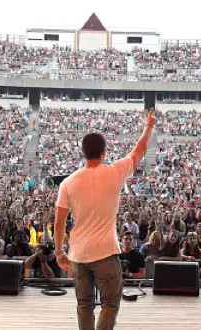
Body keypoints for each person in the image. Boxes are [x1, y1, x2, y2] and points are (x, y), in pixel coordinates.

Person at [54, 108, 155, 330]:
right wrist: (148, 126)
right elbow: (139, 150)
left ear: (82, 152)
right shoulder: (115, 172)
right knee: (110, 304)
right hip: (106, 253)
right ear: (104, 152)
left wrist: (59, 251)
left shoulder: (67, 183)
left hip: (78, 254)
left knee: (84, 304)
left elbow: (59, 221)